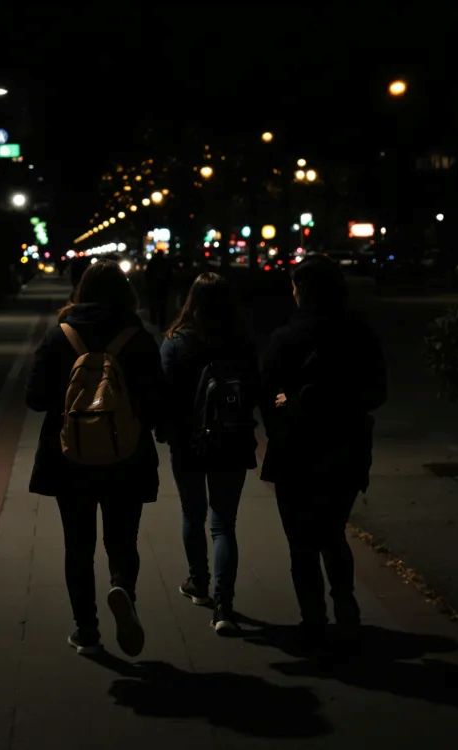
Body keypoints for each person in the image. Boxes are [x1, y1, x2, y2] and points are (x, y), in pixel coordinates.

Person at [26, 259, 164, 656]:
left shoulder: (59, 337)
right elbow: (157, 400)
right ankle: (122, 586)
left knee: (78, 544)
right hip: (126, 456)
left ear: (81, 290)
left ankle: (87, 631)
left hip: (70, 458)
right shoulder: (137, 337)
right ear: (126, 292)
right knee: (123, 538)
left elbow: (34, 399)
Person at [260, 255, 387, 651]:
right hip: (345, 448)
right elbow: (377, 393)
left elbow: (271, 395)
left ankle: (312, 619)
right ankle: (346, 608)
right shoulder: (359, 334)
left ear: (303, 292)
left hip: (295, 450)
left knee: (301, 543)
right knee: (333, 534)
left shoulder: (284, 339)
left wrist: (287, 405)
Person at [159, 272, 259, 634]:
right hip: (231, 441)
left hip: (187, 441)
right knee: (224, 525)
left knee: (192, 513)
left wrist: (166, 430)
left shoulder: (176, 342)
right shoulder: (242, 342)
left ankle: (198, 583)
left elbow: (163, 393)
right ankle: (224, 607)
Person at [144, 249, 172, 329]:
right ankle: (161, 324)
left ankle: (154, 321)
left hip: (155, 287)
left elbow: (147, 274)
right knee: (162, 306)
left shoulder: (153, 262)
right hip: (162, 287)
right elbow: (170, 276)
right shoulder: (165, 262)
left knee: (154, 305)